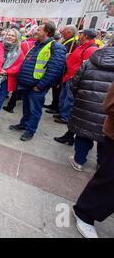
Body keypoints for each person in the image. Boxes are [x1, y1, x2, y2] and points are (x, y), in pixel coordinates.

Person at [9, 21, 66, 141]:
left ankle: (30, 130)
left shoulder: (55, 47)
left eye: (39, 29)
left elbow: (54, 70)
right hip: (27, 84)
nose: (36, 31)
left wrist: (41, 86)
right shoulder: (37, 45)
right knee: (26, 107)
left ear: (47, 32)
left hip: (37, 87)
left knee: (35, 110)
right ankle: (24, 124)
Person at [72, 81, 114, 238]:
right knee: (108, 179)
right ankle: (84, 213)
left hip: (87, 110)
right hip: (108, 130)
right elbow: (109, 105)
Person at [67, 45, 114, 171]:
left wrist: (80, 97)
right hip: (109, 111)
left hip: (86, 103)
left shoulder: (90, 61)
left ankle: (78, 161)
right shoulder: (90, 61)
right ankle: (101, 164)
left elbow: (75, 82)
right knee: (105, 137)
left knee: (84, 133)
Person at [53, 28, 99, 151]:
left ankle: (66, 119)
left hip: (74, 78)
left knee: (69, 100)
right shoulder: (81, 46)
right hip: (69, 76)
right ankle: (64, 117)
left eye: (81, 34)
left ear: (86, 36)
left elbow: (86, 66)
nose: (79, 36)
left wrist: (75, 77)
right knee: (64, 98)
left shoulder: (90, 49)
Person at [45, 25, 79, 114]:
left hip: (65, 70)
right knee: (55, 88)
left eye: (63, 31)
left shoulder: (73, 43)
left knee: (59, 88)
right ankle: (54, 103)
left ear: (69, 32)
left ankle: (56, 106)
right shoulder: (67, 41)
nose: (61, 33)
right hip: (61, 68)